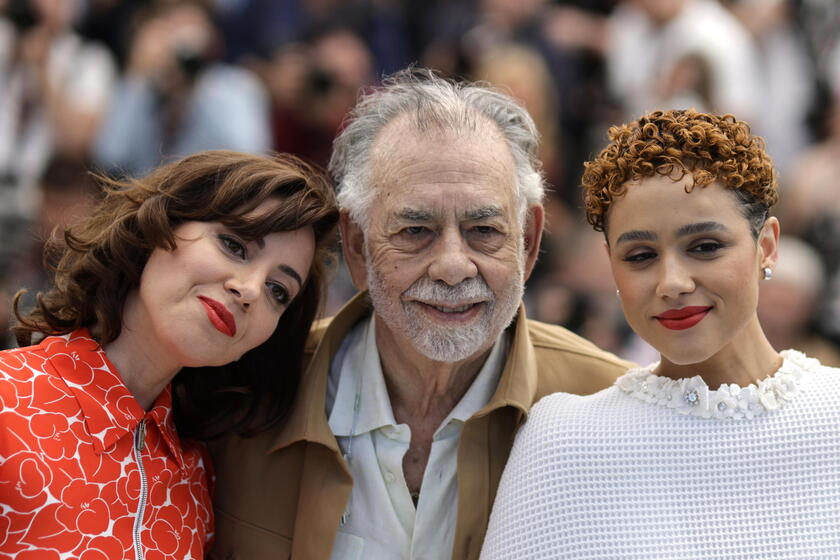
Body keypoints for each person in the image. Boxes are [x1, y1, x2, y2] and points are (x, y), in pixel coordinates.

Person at [207, 68, 632, 560]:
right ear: (357, 247)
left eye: (484, 230)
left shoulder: (615, 408)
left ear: (529, 241)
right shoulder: (245, 394)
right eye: (415, 231)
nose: (453, 266)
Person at [480, 109, 840, 559]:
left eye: (705, 247)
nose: (672, 282)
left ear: (765, 246)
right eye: (641, 255)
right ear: (612, 265)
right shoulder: (562, 442)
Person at [0, 150, 338, 559]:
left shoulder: (196, 477)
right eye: (234, 245)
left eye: (278, 291)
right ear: (158, 226)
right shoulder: (7, 399)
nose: (250, 289)